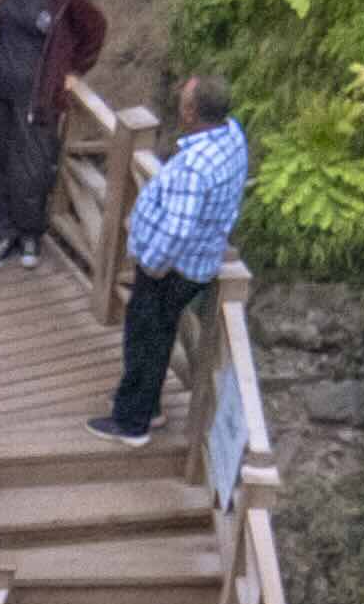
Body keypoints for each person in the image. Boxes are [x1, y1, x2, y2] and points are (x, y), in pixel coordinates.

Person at [96, 76, 251, 446]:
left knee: (146, 335)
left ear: (192, 112)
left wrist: (151, 264)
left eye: (184, 100)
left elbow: (178, 228)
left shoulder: (196, 165)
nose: (180, 102)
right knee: (160, 332)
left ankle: (132, 422)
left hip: (173, 267)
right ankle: (147, 404)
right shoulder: (232, 136)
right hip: (201, 259)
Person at [0, 0, 105, 269]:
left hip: (38, 92)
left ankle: (30, 232)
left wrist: (75, 71)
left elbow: (94, 29)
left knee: (31, 166)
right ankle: (2, 234)